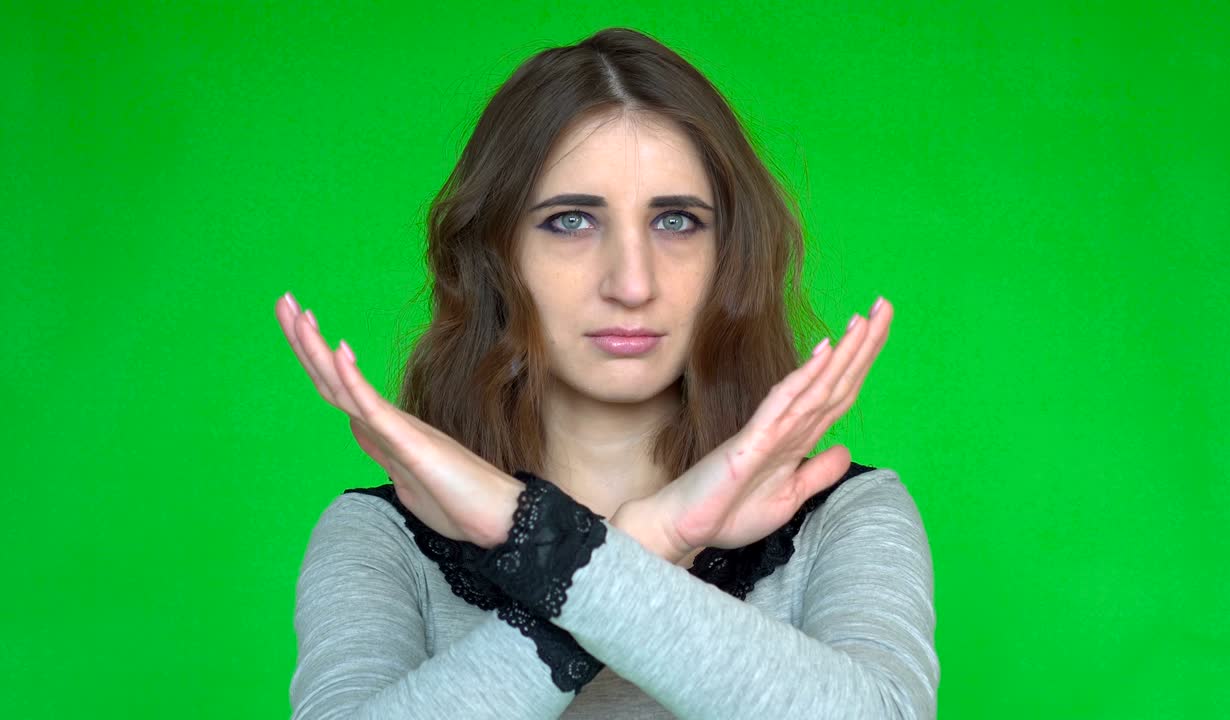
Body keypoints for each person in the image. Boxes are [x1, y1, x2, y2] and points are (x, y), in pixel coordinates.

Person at [278, 27, 938, 719]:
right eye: (570, 222)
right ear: (496, 257)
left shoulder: (846, 515)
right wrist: (656, 538)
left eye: (677, 221)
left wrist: (538, 539)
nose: (631, 282)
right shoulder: (381, 536)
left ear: (729, 257)